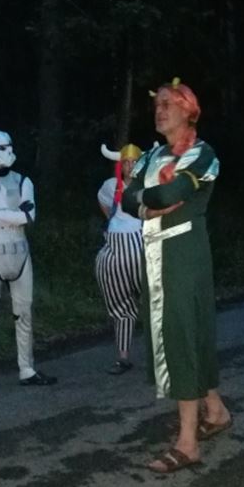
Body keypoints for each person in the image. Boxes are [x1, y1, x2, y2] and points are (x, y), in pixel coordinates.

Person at [122, 78, 232, 473]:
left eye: (168, 103)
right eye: (157, 105)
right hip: (156, 252)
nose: (160, 110)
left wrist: (146, 200)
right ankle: (215, 410)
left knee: (182, 334)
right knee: (186, 332)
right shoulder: (153, 155)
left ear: (189, 110)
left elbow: (168, 195)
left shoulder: (202, 154)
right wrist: (146, 207)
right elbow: (127, 197)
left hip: (184, 253)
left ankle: (188, 443)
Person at [0, 129, 56, 399]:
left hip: (19, 256)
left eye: (0, 148)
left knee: (24, 315)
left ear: (9, 149)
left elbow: (29, 217)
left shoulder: (23, 181)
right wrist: (13, 214)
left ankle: (27, 369)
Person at [96, 142, 144, 375]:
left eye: (134, 162)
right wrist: (113, 221)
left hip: (141, 247)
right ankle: (123, 357)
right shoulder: (111, 186)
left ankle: (165, 354)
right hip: (115, 251)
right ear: (121, 165)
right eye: (126, 162)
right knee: (120, 307)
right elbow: (104, 203)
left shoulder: (148, 185)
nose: (130, 166)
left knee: (154, 302)